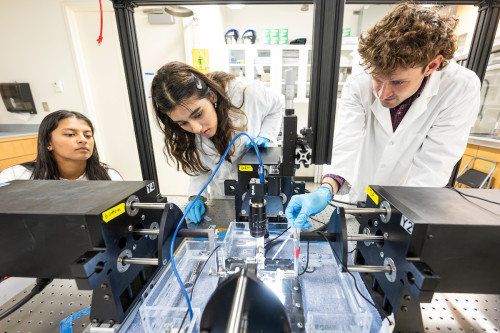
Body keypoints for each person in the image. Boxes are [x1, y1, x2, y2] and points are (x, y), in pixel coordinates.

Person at [286, 3, 480, 229]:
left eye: (398, 82)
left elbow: (433, 165)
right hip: (360, 196)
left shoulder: (459, 87)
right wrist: (326, 188)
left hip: (412, 201)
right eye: (377, 78)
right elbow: (347, 144)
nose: (382, 93)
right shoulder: (358, 83)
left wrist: (403, 219)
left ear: (432, 65)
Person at [151, 61, 283, 223]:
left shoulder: (246, 93)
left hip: (264, 193)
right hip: (224, 197)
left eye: (198, 114)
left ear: (212, 96)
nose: (196, 128)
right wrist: (195, 197)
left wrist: (267, 136)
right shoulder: (186, 131)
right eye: (183, 123)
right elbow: (200, 167)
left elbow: (278, 106)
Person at [0, 110, 122, 182]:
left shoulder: (108, 176)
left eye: (88, 135)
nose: (82, 140)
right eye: (70, 134)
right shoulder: (16, 176)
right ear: (48, 143)